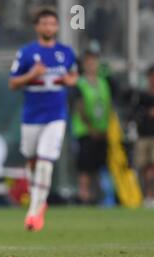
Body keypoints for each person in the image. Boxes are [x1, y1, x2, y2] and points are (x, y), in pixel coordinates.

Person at [9, 8, 78, 231]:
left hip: (56, 115)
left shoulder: (66, 52)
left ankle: (34, 212)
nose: (48, 27)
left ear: (56, 27)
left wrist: (70, 80)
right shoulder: (27, 53)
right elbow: (13, 83)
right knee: (31, 160)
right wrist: (32, 75)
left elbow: (73, 75)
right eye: (44, 23)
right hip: (31, 116)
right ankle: (40, 199)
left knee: (46, 162)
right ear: (37, 27)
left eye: (52, 23)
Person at [71, 51, 113, 204]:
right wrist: (91, 129)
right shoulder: (80, 83)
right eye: (89, 62)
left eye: (94, 62)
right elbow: (79, 107)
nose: (92, 65)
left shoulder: (103, 82)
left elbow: (108, 105)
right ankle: (84, 197)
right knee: (85, 166)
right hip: (85, 132)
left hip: (102, 131)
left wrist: (106, 127)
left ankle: (100, 197)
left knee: (100, 165)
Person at [131, 65, 154, 207]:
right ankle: (147, 197)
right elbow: (134, 113)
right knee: (144, 168)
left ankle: (152, 196)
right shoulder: (142, 96)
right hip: (143, 136)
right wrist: (147, 114)